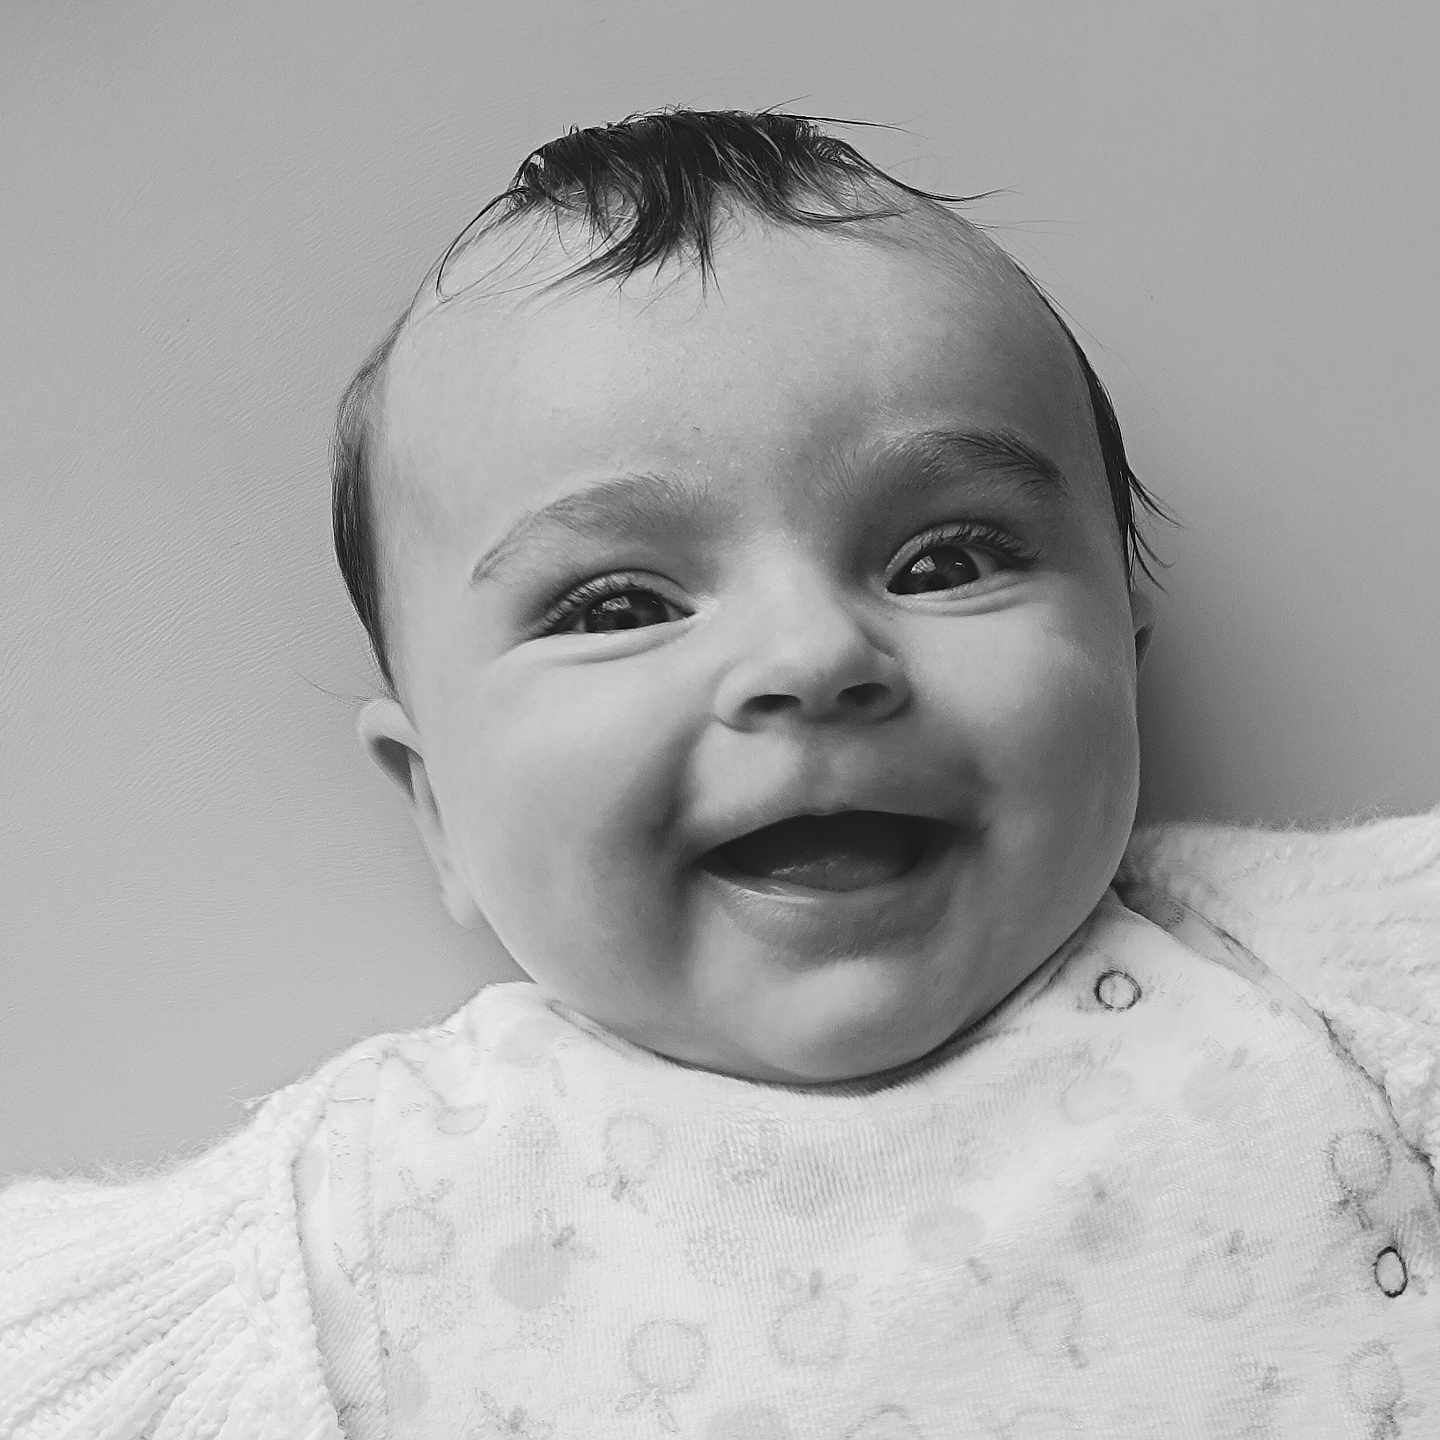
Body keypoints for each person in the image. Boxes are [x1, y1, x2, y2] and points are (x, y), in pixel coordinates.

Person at [4, 107, 1438, 1439]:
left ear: (1123, 667)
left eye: (943, 561)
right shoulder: (343, 1234)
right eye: (620, 606)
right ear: (436, 806)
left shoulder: (1335, 984)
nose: (815, 656)